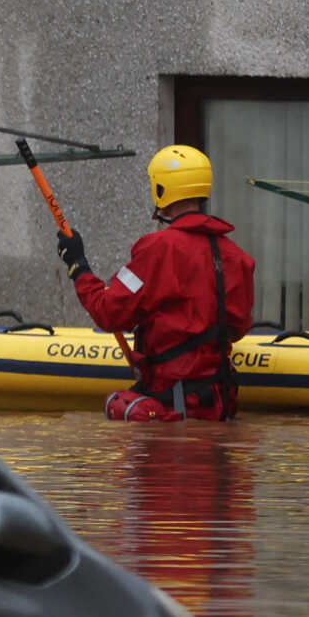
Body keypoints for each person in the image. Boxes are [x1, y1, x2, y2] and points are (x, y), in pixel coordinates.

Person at [60, 145, 255, 422]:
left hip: (173, 404)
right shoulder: (237, 257)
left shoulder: (156, 249)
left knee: (120, 406)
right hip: (218, 403)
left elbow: (108, 312)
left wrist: (78, 266)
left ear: (161, 189)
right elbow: (238, 327)